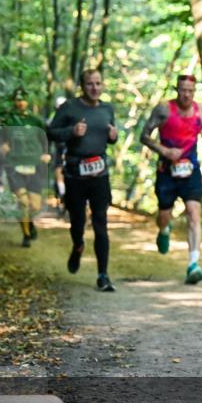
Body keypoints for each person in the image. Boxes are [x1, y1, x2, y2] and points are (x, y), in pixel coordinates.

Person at [139, 74, 202, 284]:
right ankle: (164, 229)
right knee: (164, 215)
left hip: (190, 170)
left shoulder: (199, 109)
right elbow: (144, 136)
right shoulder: (163, 109)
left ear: (195, 92)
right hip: (167, 171)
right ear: (177, 89)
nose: (186, 94)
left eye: (190, 91)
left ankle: (193, 264)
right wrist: (164, 151)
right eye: (182, 90)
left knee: (194, 214)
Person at [47, 70, 119, 291]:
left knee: (100, 224)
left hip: (100, 174)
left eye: (98, 84)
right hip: (75, 174)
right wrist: (71, 131)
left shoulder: (108, 109)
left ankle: (103, 275)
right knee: (77, 223)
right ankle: (78, 245)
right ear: (82, 86)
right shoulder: (69, 108)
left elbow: (110, 137)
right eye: (90, 84)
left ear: (103, 85)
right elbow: (50, 132)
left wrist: (114, 137)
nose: (94, 88)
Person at [0, 88, 51, 247]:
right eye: (17, 99)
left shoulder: (36, 121)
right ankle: (26, 235)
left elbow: (45, 140)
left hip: (35, 166)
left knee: (34, 205)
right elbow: (1, 141)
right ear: (14, 101)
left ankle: (29, 223)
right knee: (23, 202)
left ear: (28, 101)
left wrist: (46, 154)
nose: (20, 102)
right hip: (15, 165)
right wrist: (3, 147)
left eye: (23, 99)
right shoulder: (8, 121)